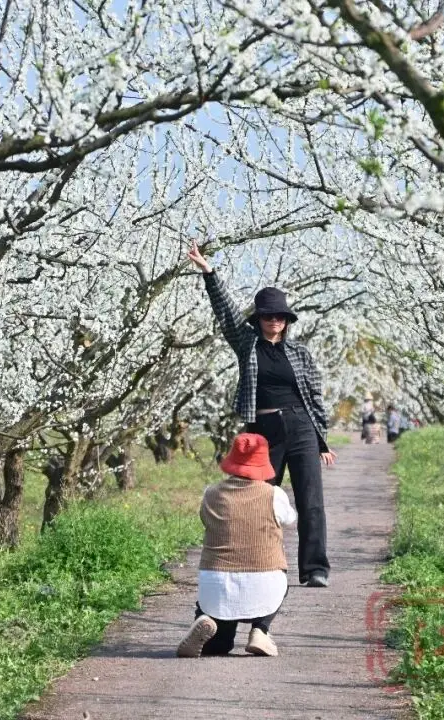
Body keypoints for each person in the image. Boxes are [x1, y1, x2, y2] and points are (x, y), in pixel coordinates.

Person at [188, 241, 335, 588]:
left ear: (286, 320)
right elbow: (224, 312)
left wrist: (322, 439)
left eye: (280, 316)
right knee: (257, 499)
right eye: (268, 316)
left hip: (301, 426)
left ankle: (315, 568)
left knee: (311, 500)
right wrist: (210, 274)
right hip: (264, 430)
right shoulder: (247, 344)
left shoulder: (299, 352)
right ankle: (257, 562)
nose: (274, 321)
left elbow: (314, 396)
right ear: (258, 319)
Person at [177, 433, 298, 658]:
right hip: (264, 583)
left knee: (220, 647)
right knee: (280, 578)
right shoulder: (274, 495)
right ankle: (260, 630)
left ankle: (206, 619)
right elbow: (290, 519)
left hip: (217, 587)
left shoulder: (211, 494)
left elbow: (206, 519)